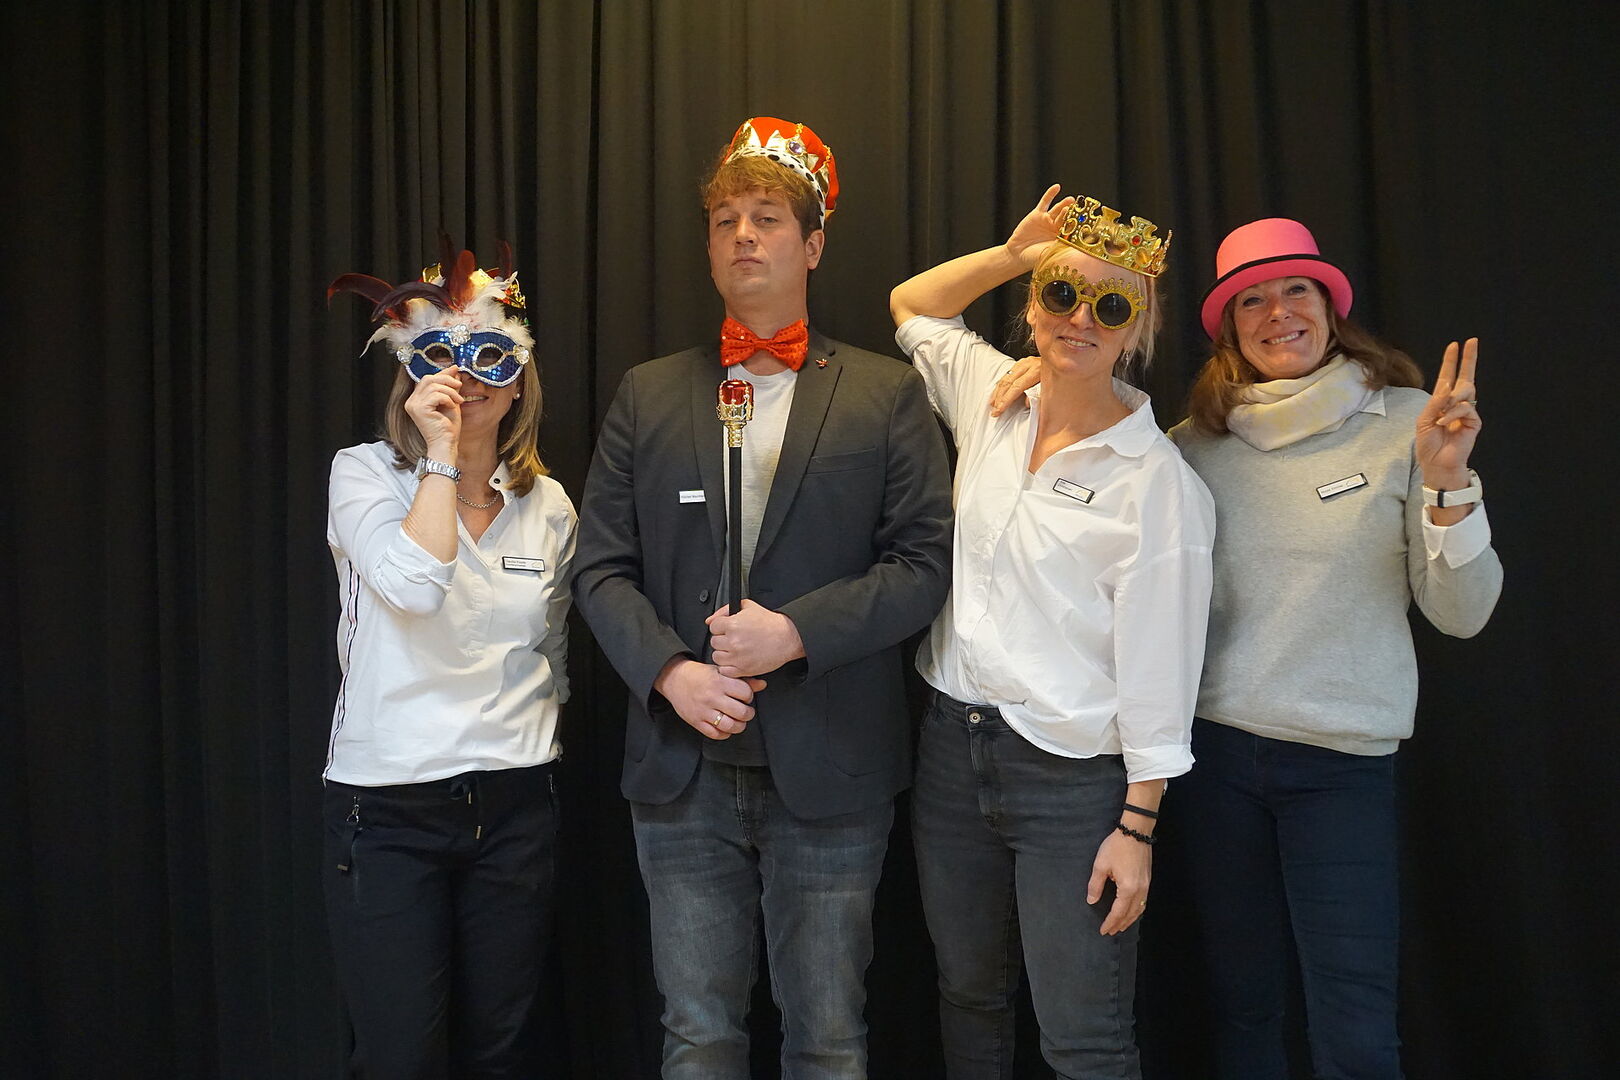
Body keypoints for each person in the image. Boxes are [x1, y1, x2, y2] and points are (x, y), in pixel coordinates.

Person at [571, 117, 953, 1079]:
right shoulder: (647, 394)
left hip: (832, 768)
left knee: (829, 1041)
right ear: (708, 250)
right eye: (726, 220)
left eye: (768, 217)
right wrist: (671, 673)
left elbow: (925, 564)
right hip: (681, 771)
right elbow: (599, 567)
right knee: (697, 1038)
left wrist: (795, 634)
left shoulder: (886, 394)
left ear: (812, 245)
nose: (744, 234)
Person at [889, 186, 1215, 1079]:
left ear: (1136, 330)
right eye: (1062, 293)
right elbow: (914, 306)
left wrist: (1137, 827)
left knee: (1083, 1036)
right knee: (968, 997)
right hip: (950, 748)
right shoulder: (994, 399)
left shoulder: (1159, 483)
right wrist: (1013, 254)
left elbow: (1163, 670)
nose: (1080, 319)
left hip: (1072, 780)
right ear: (1032, 306)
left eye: (1110, 306)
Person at [1168, 218, 1502, 1078]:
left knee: (1355, 1026)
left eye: (1295, 290)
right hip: (1215, 760)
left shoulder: (1412, 425)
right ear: (1230, 328)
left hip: (1342, 766)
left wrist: (1449, 481)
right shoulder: (1191, 446)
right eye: (1252, 300)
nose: (1277, 312)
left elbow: (1462, 614)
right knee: (1243, 1009)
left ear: (1329, 308)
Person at [322, 245, 576, 1078]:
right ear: (410, 373)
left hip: (515, 804)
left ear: (520, 379)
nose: (465, 377)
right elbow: (413, 586)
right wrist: (439, 456)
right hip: (390, 806)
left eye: (490, 355)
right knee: (400, 1056)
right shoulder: (362, 475)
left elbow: (553, 646)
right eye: (440, 355)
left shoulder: (548, 505)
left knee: (500, 1052)